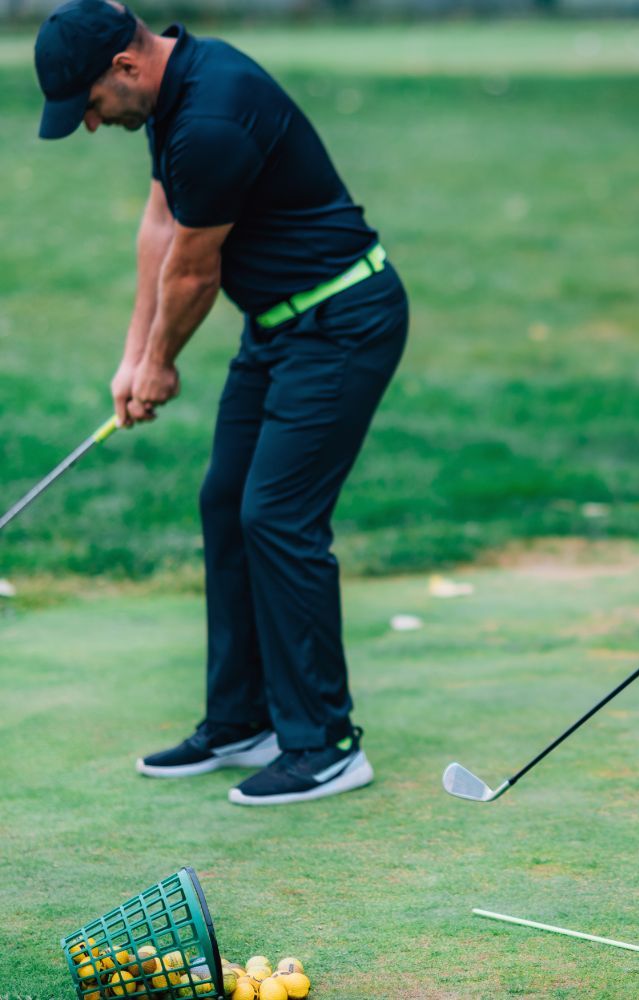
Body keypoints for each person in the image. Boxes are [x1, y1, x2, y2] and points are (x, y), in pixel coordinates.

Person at [34, 0, 409, 806]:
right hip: (279, 326)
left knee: (277, 516)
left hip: (342, 321)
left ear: (125, 69)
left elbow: (196, 272)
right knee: (226, 502)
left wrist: (162, 364)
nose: (92, 125)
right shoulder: (176, 94)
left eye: (90, 105)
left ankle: (326, 745)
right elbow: (159, 225)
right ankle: (242, 721)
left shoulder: (211, 115)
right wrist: (134, 357)